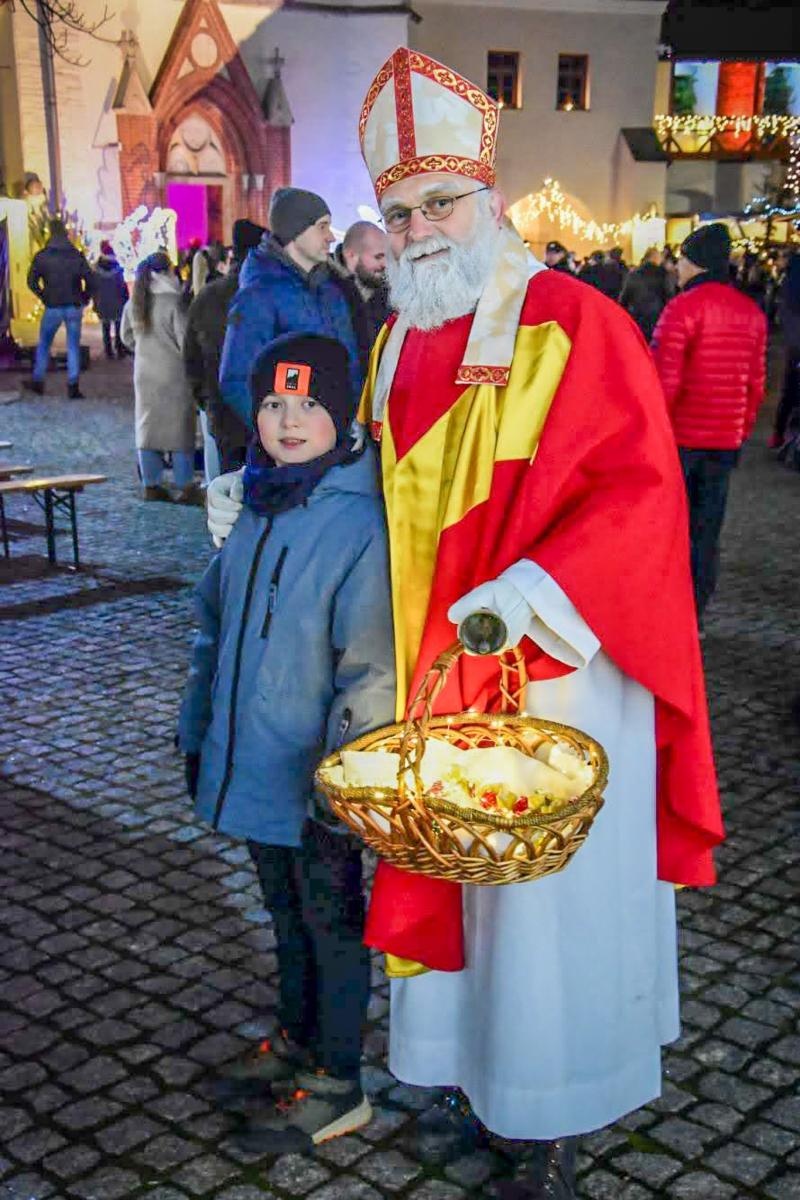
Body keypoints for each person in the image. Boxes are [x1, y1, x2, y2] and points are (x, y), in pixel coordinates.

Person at [207, 48, 723, 1197]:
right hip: (431, 683)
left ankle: (549, 1124)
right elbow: (370, 492)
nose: (419, 228)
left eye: (438, 202)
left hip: (554, 679)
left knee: (540, 917)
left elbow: (640, 499)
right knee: (457, 905)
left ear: (484, 200)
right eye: (397, 211)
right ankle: (472, 1089)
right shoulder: (393, 344)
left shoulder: (575, 324)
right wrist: (267, 502)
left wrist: (529, 596)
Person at [178, 332, 395, 1152]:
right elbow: (213, 623)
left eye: (309, 404)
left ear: (341, 417)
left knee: (330, 920)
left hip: (315, 780)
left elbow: (370, 666)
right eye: (274, 402)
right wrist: (197, 728)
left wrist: (343, 780)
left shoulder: (357, 522)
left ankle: (340, 1080)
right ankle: (298, 1048)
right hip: (254, 763)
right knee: (283, 912)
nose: (290, 420)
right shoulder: (259, 504)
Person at [651, 223, 766, 624]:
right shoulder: (750, 311)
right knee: (707, 530)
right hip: (724, 441)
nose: (676, 268)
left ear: (693, 262)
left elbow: (665, 382)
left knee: (669, 527)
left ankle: (667, 609)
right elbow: (755, 384)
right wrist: (742, 430)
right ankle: (695, 612)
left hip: (681, 439)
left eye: (680, 260)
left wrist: (653, 433)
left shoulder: (682, 308)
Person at [219, 189, 362, 428]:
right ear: (295, 231)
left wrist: (353, 419)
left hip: (340, 436)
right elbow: (236, 380)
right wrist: (282, 436)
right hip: (298, 448)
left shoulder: (331, 289)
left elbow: (350, 365)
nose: (330, 237)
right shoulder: (260, 294)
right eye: (322, 226)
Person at [184, 219, 265, 480]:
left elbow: (191, 359)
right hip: (267, 417)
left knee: (230, 492)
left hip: (224, 415)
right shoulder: (270, 293)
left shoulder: (208, 296)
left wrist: (206, 400)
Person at [120, 252, 201, 505]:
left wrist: (144, 350)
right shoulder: (174, 302)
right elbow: (185, 340)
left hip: (144, 372)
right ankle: (185, 483)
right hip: (174, 373)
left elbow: (126, 336)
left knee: (148, 427)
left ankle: (151, 484)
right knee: (179, 428)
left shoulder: (136, 300)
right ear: (167, 272)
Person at [25, 217, 92, 399]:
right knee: (73, 345)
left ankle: (38, 381)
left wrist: (43, 295)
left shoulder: (42, 256)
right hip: (73, 305)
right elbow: (90, 279)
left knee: (44, 343)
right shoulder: (75, 255)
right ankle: (73, 385)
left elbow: (31, 281)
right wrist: (85, 297)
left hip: (52, 305)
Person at [331, 220, 392, 359]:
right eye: (378, 257)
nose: (385, 264)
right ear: (351, 256)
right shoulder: (321, 288)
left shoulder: (394, 296)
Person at [770, 250, 800, 448]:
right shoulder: (793, 282)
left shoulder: (789, 281)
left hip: (794, 344)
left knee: (789, 391)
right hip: (796, 343)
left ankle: (780, 434)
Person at [619, 247, 671, 342]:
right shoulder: (663, 273)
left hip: (638, 318)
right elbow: (669, 295)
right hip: (658, 319)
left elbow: (624, 299)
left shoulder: (633, 274)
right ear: (655, 258)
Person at [92, 241, 129, 359]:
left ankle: (108, 350)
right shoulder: (118, 270)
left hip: (103, 301)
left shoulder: (96, 270)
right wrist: (125, 300)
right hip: (117, 301)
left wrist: (95, 301)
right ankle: (120, 348)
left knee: (105, 326)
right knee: (118, 326)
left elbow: (94, 288)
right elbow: (122, 288)